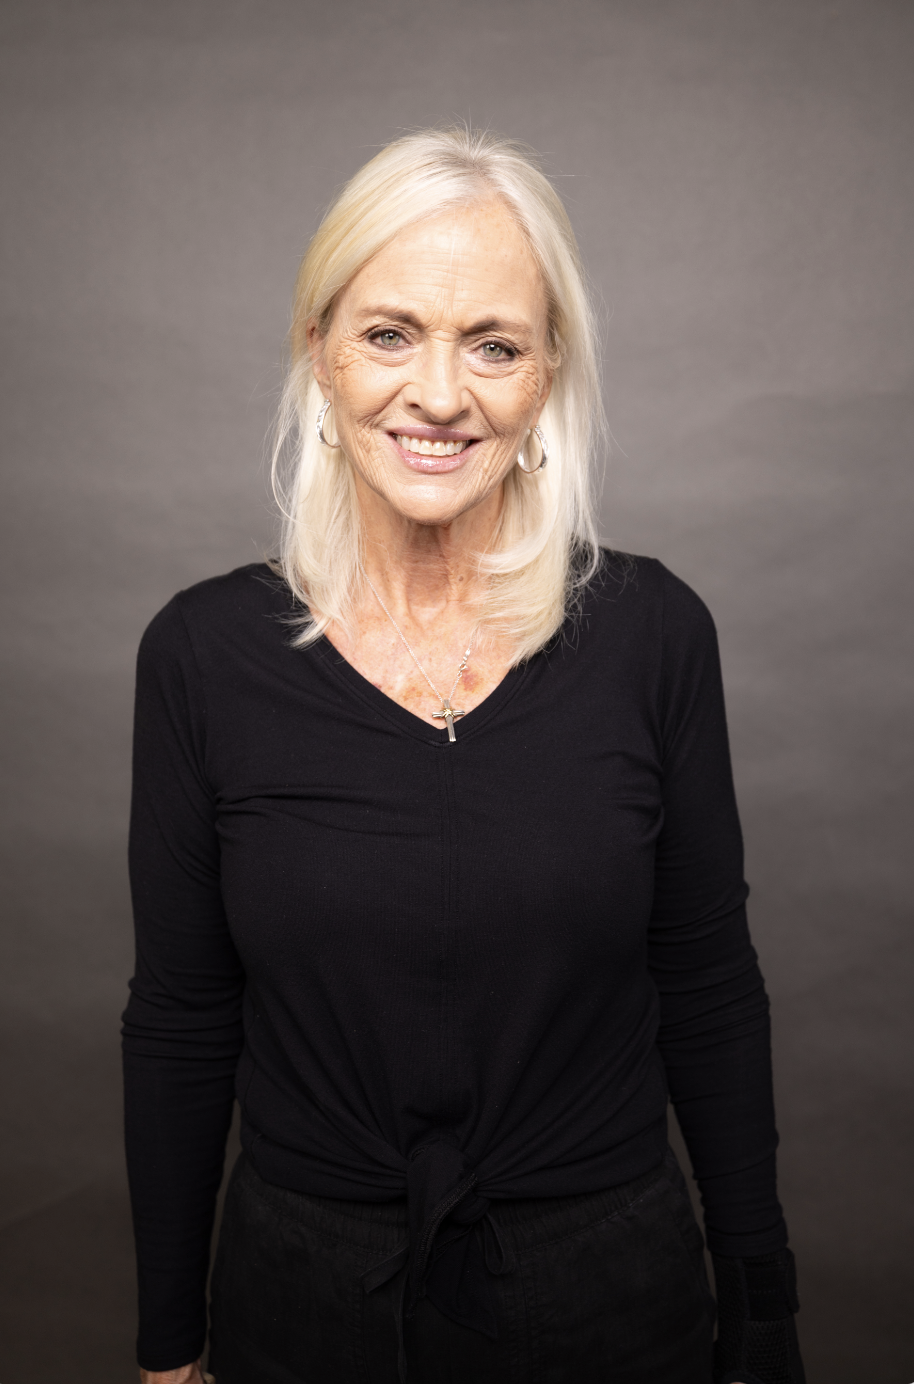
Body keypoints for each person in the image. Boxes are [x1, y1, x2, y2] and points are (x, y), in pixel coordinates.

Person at [123, 127, 805, 1384]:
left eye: (491, 344)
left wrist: (762, 1318)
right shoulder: (201, 654)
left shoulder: (654, 633)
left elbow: (708, 985)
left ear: (545, 374)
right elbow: (179, 1018)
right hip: (300, 1298)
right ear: (317, 352)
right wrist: (170, 1347)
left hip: (610, 1294)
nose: (439, 395)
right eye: (389, 334)